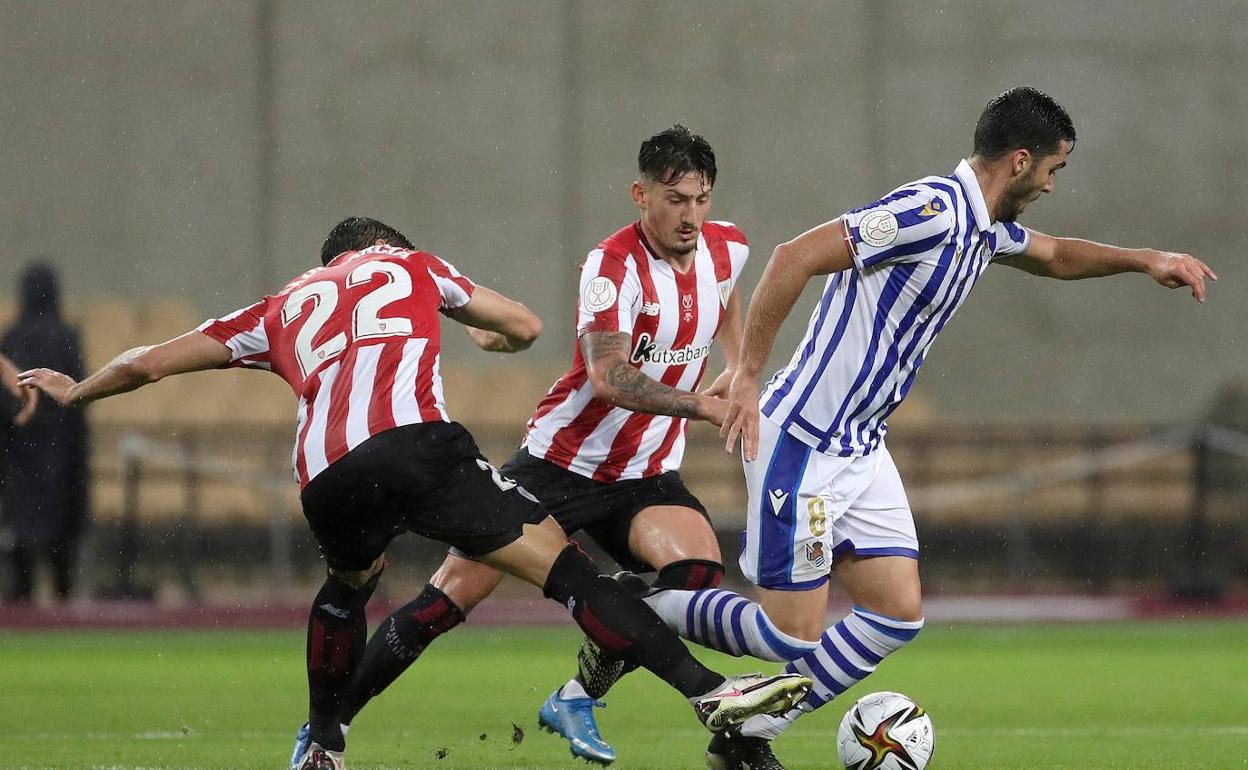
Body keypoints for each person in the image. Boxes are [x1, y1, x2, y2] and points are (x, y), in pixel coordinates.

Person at [17, 216, 810, 770]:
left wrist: (77, 390)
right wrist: (490, 334)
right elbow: (525, 326)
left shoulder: (281, 304)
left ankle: (322, 740)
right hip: (421, 448)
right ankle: (711, 694)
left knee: (347, 587)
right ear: (381, 246)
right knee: (569, 575)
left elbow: (151, 362)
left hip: (326, 474)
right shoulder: (412, 265)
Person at [621, 87, 1215, 770]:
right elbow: (792, 257)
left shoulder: (982, 228)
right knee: (791, 635)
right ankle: (649, 604)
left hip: (862, 449)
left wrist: (1146, 260)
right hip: (805, 443)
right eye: (1053, 170)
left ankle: (748, 737)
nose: (1052, 185)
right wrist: (749, 372)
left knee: (897, 613)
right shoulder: (928, 212)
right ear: (1020, 161)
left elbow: (1054, 256)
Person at [326, 125, 752, 765]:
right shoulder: (609, 269)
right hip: (561, 465)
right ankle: (328, 726)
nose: (690, 215)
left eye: (701, 199)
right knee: (446, 601)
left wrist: (741, 368)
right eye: (674, 199)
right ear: (640, 195)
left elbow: (726, 297)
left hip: (648, 472)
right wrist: (703, 404)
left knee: (695, 578)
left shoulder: (730, 249)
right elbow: (608, 379)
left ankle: (577, 694)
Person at [1, 264, 88, 603]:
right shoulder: (67, 336)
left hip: (20, 445)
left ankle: (22, 608)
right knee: (61, 529)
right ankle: (63, 598)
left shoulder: (12, 336)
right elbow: (81, 393)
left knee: (22, 526)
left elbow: (6, 396)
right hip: (62, 448)